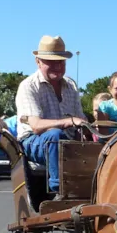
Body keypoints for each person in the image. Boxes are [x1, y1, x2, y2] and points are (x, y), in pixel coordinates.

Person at [14, 35, 87, 194]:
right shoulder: (28, 86)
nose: (57, 66)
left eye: (61, 61)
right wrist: (69, 121)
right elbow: (36, 126)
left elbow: (81, 121)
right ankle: (59, 191)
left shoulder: (71, 85)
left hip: (67, 142)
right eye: (51, 62)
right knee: (56, 136)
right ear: (38, 61)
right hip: (34, 142)